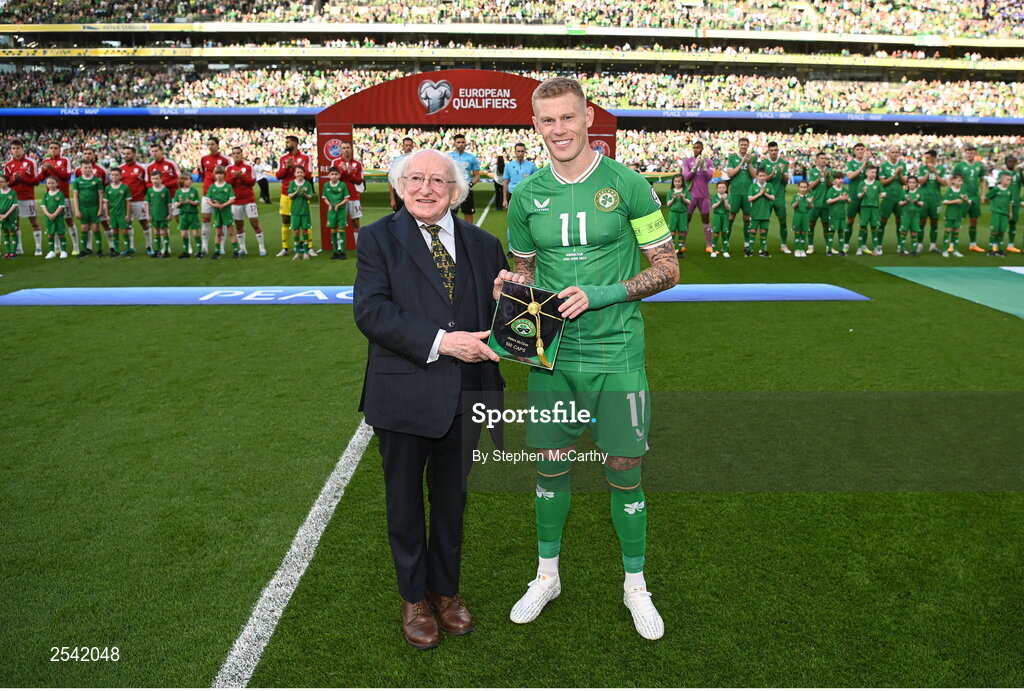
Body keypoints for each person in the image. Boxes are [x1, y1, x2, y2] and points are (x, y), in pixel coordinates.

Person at [507, 77, 678, 641]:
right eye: (547, 121)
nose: (558, 130)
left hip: (617, 353)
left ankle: (635, 587)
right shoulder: (527, 195)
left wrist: (601, 294)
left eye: (568, 118)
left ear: (588, 120)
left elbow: (667, 268)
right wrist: (511, 289)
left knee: (624, 469)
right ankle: (546, 575)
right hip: (552, 358)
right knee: (550, 465)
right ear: (536, 126)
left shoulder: (630, 185)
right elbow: (526, 274)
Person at [353, 148, 511, 650]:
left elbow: (507, 317)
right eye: (415, 179)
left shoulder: (485, 244)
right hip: (402, 394)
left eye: (437, 181)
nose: (426, 188)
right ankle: (413, 597)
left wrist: (515, 295)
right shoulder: (377, 238)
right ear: (398, 188)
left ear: (456, 191)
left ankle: (444, 591)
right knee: (404, 503)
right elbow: (371, 312)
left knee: (451, 501)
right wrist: (445, 342)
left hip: (465, 397)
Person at [275, 135, 312, 257]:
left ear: (295, 143)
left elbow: (309, 175)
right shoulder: (283, 159)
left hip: (302, 195)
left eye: (288, 142)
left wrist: (295, 166)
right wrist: (287, 166)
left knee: (305, 220)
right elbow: (278, 176)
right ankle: (285, 247)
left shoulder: (305, 158)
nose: (286, 144)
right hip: (286, 193)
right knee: (285, 220)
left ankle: (309, 247)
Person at [226, 146, 267, 256]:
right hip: (236, 201)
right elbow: (227, 182)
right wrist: (235, 177)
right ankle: (242, 248)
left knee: (254, 223)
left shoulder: (249, 167)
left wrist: (242, 177)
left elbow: (252, 182)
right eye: (234, 153)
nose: (236, 155)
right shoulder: (229, 168)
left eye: (238, 153)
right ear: (232, 155)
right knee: (239, 225)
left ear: (242, 154)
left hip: (249, 200)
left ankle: (262, 247)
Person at [4, 139, 41, 256]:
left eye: (18, 148)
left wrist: (22, 179)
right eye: (13, 149)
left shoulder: (31, 162)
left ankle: (38, 248)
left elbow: (36, 181)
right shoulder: (8, 165)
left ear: (22, 149)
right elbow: (6, 184)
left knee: (34, 222)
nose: (16, 151)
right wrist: (15, 180)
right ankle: (19, 247)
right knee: (15, 223)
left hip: (28, 197)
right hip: (14, 198)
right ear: (10, 150)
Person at [41, 141, 78, 254]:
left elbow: (67, 176)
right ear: (48, 149)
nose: (53, 150)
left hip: (64, 196)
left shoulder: (64, 160)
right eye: (51, 148)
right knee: (53, 220)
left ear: (59, 149)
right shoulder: (45, 161)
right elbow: (41, 177)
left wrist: (53, 169)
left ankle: (76, 246)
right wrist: (44, 170)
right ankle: (57, 247)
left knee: (69, 220)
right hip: (50, 197)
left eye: (55, 148)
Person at [74, 148, 112, 254]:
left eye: (89, 153)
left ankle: (111, 246)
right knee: (86, 226)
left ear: (94, 155)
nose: (87, 155)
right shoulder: (78, 170)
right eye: (85, 153)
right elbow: (77, 191)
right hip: (84, 205)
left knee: (104, 224)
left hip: (99, 203)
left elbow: (107, 186)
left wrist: (105, 204)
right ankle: (88, 248)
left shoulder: (101, 170)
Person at [199, 136, 230, 256]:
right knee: (205, 219)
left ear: (217, 145)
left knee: (222, 221)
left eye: (212, 144)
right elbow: (202, 173)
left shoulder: (225, 159)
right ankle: (204, 246)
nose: (210, 146)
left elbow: (228, 175)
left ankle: (221, 246)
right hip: (207, 194)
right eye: (209, 144)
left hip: (221, 195)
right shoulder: (204, 159)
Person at [952, 145, 987, 253]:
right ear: (964, 153)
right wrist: (955, 193)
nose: (969, 155)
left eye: (971, 153)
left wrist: (983, 194)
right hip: (963, 196)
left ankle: (973, 244)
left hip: (974, 196)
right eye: (967, 153)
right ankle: (952, 244)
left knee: (974, 220)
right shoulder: (959, 165)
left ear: (975, 154)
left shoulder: (979, 166)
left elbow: (982, 181)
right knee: (957, 220)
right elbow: (953, 180)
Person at [681, 140, 714, 254]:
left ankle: (709, 245)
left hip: (704, 196)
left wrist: (703, 166)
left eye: (698, 147)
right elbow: (685, 177)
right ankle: (683, 244)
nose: (696, 149)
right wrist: (694, 167)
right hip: (691, 196)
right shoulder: (687, 161)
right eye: (694, 147)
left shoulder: (708, 162)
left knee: (706, 220)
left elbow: (709, 177)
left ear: (702, 148)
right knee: (686, 219)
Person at [331, 140, 364, 249]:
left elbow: (359, 181)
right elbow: (335, 178)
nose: (346, 150)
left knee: (355, 222)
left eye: (348, 148)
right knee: (340, 222)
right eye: (344, 148)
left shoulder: (357, 164)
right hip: (339, 197)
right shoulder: (335, 163)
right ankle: (340, 248)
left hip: (354, 196)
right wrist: (344, 171)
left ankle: (359, 247)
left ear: (351, 149)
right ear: (341, 150)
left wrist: (350, 174)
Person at [725, 137, 755, 254]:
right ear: (739, 145)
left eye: (745, 145)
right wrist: (742, 162)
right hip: (736, 192)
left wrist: (750, 163)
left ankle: (747, 243)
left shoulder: (752, 158)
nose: (743, 146)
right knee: (731, 217)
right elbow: (730, 174)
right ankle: (726, 241)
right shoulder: (732, 158)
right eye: (742, 144)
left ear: (748, 146)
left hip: (748, 192)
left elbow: (754, 176)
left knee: (747, 218)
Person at [120, 146, 151, 256]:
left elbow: (147, 184)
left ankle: (149, 246)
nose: (126, 155)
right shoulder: (120, 168)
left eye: (128, 153)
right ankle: (130, 247)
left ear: (134, 154)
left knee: (144, 223)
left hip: (139, 200)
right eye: (124, 153)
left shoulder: (142, 168)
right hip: (124, 202)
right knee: (127, 224)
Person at [760, 141, 790, 253]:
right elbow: (761, 180)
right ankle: (763, 246)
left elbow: (786, 180)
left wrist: (782, 173)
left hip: (779, 196)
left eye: (775, 150)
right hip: (766, 196)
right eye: (771, 150)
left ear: (778, 151)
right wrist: (772, 174)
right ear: (768, 151)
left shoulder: (784, 163)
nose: (773, 152)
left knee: (783, 221)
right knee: (764, 221)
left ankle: (783, 245)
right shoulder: (764, 163)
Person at [71, 160, 105, 257]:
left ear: (92, 168)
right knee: (84, 228)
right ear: (81, 169)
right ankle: (84, 250)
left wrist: (100, 208)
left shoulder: (97, 180)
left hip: (94, 207)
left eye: (89, 167)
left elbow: (100, 195)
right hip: (83, 207)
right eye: (85, 167)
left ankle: (99, 249)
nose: (87, 169)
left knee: (95, 227)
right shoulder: (77, 181)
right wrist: (77, 210)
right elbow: (75, 196)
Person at [917, 149, 947, 254]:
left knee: (934, 223)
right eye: (925, 158)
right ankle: (919, 245)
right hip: (924, 199)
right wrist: (929, 172)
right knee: (921, 222)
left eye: (928, 158)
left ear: (934, 158)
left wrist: (935, 173)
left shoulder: (941, 169)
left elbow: (944, 183)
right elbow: (920, 182)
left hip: (935, 200)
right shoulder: (922, 168)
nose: (926, 160)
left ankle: (933, 246)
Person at [448, 133, 481, 223]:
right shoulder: (448, 157)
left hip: (466, 190)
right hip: (452, 190)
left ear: (465, 143)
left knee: (469, 216)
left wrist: (470, 184)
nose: (461, 144)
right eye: (458, 142)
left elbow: (477, 176)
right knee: (450, 216)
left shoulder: (471, 157)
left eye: (463, 142)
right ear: (454, 143)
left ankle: (468, 236)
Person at [845, 143, 870, 255]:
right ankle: (845, 244)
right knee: (850, 221)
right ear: (854, 151)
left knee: (864, 222)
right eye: (858, 149)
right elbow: (850, 177)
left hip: (866, 197)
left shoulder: (869, 164)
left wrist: (867, 164)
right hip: (853, 196)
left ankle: (862, 245)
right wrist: (862, 166)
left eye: (862, 149)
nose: (860, 151)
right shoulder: (850, 164)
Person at [879, 146, 906, 248]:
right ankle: (879, 245)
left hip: (899, 196)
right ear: (889, 154)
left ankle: (900, 246)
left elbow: (905, 182)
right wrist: (895, 175)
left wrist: (899, 175)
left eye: (896, 152)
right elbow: (883, 182)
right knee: (883, 220)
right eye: (893, 152)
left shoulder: (902, 165)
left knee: (900, 220)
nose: (895, 154)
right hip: (888, 197)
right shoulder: (884, 166)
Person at [207, 166, 236, 259]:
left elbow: (232, 199)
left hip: (226, 211)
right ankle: (217, 252)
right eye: (217, 174)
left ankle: (235, 251)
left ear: (224, 175)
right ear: (214, 175)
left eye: (221, 173)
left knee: (231, 231)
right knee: (218, 232)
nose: (219, 176)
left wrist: (223, 205)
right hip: (217, 212)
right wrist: (214, 205)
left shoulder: (228, 186)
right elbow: (208, 199)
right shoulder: (212, 187)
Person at [806, 151, 832, 255]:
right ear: (816, 160)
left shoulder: (830, 171)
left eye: (825, 158)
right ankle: (810, 246)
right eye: (821, 158)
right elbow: (810, 187)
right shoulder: (813, 171)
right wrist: (820, 177)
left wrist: (828, 177)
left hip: (826, 203)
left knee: (826, 225)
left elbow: (831, 186)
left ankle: (828, 247)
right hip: (814, 203)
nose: (824, 160)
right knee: (811, 224)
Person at [322, 166, 350, 260]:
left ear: (339, 175)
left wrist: (339, 205)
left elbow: (346, 198)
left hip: (341, 211)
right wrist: (329, 204)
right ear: (328, 175)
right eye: (332, 174)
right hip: (331, 211)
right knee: (333, 231)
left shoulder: (342, 185)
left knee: (341, 230)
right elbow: (325, 197)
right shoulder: (326, 185)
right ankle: (335, 252)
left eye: (336, 174)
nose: (334, 176)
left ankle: (342, 252)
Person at [856, 166, 885, 256]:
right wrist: (863, 192)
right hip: (864, 207)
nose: (874, 174)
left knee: (874, 227)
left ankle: (876, 247)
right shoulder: (861, 184)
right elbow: (858, 196)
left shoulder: (878, 183)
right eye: (872, 172)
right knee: (863, 227)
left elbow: (884, 192)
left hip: (875, 208)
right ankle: (860, 247)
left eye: (875, 173)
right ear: (867, 173)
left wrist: (882, 195)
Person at [287, 166, 314, 261]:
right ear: (295, 174)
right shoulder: (292, 183)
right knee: (296, 231)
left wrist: (304, 194)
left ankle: (306, 252)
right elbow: (290, 195)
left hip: (304, 211)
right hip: (295, 211)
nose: (299, 174)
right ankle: (297, 253)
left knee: (305, 231)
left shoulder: (307, 184)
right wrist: (296, 192)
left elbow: (310, 197)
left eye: (301, 172)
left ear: (304, 174)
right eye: (298, 172)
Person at [501, 142, 537, 210]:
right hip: (513, 194)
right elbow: (505, 183)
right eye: (518, 151)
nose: (520, 153)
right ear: (515, 152)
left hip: (527, 195)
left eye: (522, 151)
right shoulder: (509, 166)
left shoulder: (531, 166)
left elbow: (536, 182)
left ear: (525, 152)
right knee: (513, 218)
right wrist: (505, 199)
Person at [104, 168, 131, 257]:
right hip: (113, 213)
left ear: (120, 176)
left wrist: (128, 214)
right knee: (114, 231)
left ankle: (127, 250)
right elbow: (106, 202)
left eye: (116, 175)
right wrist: (107, 215)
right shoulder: (108, 188)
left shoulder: (125, 187)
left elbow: (128, 202)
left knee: (124, 231)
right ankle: (116, 250)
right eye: (113, 175)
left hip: (122, 213)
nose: (114, 177)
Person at [748, 167, 774, 257]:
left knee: (763, 232)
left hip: (765, 213)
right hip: (755, 213)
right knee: (753, 231)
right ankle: (750, 250)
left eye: (764, 176)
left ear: (766, 176)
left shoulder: (769, 186)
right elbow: (750, 199)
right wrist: (759, 194)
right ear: (757, 176)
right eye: (760, 176)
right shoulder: (753, 186)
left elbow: (773, 197)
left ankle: (763, 250)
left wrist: (765, 194)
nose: (762, 177)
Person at [40, 176, 68, 259]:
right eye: (49, 183)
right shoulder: (45, 194)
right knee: (50, 234)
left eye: (52, 183)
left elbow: (61, 206)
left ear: (57, 183)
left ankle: (63, 251)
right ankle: (52, 251)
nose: (51, 185)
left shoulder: (60, 194)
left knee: (60, 234)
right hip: (48, 218)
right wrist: (49, 215)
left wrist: (54, 215)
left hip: (58, 217)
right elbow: (43, 206)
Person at [985, 171, 1012, 257]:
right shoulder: (996, 189)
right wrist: (994, 206)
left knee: (1002, 231)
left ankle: (999, 249)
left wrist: (1010, 212)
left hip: (1005, 213)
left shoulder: (1009, 190)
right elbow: (988, 196)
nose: (1009, 181)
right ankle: (991, 249)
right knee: (995, 231)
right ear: (1002, 180)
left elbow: (1010, 202)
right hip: (996, 213)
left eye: (1010, 180)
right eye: (1008, 180)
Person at [174, 175, 201, 258]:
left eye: (190, 179)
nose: (190, 181)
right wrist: (180, 203)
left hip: (192, 214)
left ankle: (199, 251)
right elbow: (176, 204)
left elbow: (198, 202)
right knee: (184, 234)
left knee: (196, 233)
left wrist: (190, 202)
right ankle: (186, 252)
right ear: (183, 181)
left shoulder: (194, 191)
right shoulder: (178, 192)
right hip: (183, 215)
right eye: (188, 179)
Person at [145, 173, 172, 258]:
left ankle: (166, 250)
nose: (155, 181)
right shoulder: (150, 191)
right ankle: (158, 250)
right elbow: (147, 204)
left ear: (161, 179)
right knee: (156, 232)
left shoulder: (165, 190)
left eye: (157, 179)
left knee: (164, 231)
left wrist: (170, 214)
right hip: (154, 215)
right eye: (153, 179)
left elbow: (169, 204)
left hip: (163, 215)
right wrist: (147, 215)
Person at [942, 172, 968, 258]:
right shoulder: (950, 190)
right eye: (959, 181)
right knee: (948, 231)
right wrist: (955, 201)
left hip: (958, 214)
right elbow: (944, 201)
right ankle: (945, 250)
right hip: (950, 214)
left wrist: (967, 199)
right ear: (953, 181)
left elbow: (967, 200)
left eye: (961, 181)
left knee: (956, 231)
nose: (961, 182)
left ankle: (955, 250)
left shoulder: (963, 190)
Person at [897, 175, 924, 256]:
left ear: (916, 183)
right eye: (910, 182)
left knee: (914, 232)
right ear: (907, 183)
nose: (912, 184)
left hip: (915, 215)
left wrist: (917, 202)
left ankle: (913, 250)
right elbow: (900, 203)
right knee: (904, 231)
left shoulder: (919, 192)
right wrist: (906, 201)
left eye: (913, 182)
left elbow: (922, 203)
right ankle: (902, 249)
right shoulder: (904, 192)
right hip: (906, 215)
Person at [825, 172, 850, 256]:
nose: (841, 180)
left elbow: (849, 200)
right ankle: (829, 250)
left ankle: (841, 250)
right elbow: (828, 201)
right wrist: (838, 198)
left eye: (842, 178)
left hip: (842, 215)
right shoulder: (831, 190)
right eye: (839, 178)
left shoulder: (845, 190)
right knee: (831, 232)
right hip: (833, 215)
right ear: (834, 180)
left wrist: (847, 199)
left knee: (841, 232)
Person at [1000, 155, 1021, 253]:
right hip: (1004, 201)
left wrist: (1021, 172)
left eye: (1013, 162)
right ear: (1006, 162)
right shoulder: (1002, 173)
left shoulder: (1018, 173)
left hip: (1015, 200)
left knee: (1013, 222)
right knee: (1001, 223)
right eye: (1009, 162)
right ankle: (997, 244)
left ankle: (1011, 244)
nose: (1011, 163)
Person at [388, 137, 415, 212]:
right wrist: (392, 199)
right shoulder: (397, 160)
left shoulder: (417, 159)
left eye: (410, 145)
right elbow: (392, 181)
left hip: (412, 193)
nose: (408, 147)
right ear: (402, 146)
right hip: (399, 195)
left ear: (413, 146)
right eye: (406, 145)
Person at [666, 173, 689, 256]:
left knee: (681, 232)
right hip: (673, 213)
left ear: (682, 182)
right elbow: (668, 204)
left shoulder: (685, 191)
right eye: (675, 181)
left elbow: (689, 202)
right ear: (673, 182)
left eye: (679, 181)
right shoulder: (671, 192)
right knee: (672, 232)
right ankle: (672, 250)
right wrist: (673, 198)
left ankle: (680, 250)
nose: (677, 183)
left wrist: (683, 198)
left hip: (682, 214)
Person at [791, 179, 813, 258]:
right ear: (798, 188)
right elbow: (793, 206)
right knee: (797, 232)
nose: (803, 189)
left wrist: (810, 202)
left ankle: (802, 249)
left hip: (806, 216)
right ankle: (797, 249)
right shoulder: (795, 196)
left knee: (804, 232)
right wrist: (797, 202)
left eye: (804, 187)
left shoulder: (809, 196)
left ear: (807, 188)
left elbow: (811, 207)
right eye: (801, 187)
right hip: (798, 215)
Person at [710, 180, 731, 257]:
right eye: (720, 187)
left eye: (723, 187)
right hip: (717, 216)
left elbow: (728, 208)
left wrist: (725, 200)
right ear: (717, 189)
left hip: (725, 216)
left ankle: (725, 250)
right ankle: (714, 251)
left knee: (725, 233)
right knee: (716, 233)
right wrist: (720, 200)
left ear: (726, 188)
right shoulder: (715, 196)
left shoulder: (728, 196)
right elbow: (713, 207)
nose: (721, 189)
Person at [0, 174, 19, 258]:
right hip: (1, 216)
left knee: (13, 232)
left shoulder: (12, 192)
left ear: (7, 182)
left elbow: (14, 205)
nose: (0, 183)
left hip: (11, 216)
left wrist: (6, 215)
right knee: (5, 233)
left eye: (2, 181)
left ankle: (13, 252)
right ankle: (7, 252)